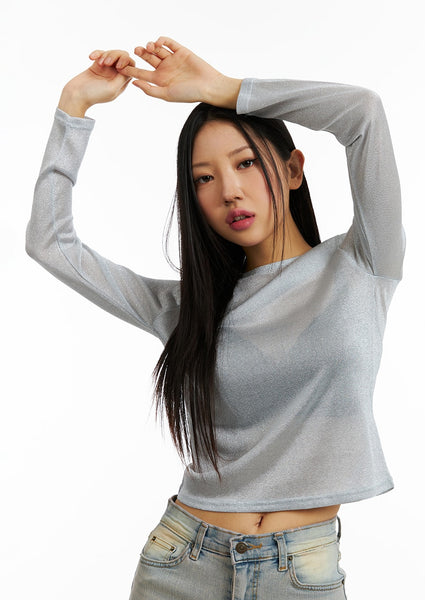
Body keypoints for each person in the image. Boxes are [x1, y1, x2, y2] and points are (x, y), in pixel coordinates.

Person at [26, 37, 405, 599]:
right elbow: (50, 244)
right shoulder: (190, 310)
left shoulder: (364, 263)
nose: (229, 191)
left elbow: (363, 113)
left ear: (293, 170)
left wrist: (223, 89)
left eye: (246, 163)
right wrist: (73, 107)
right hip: (182, 559)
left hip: (299, 570)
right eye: (204, 178)